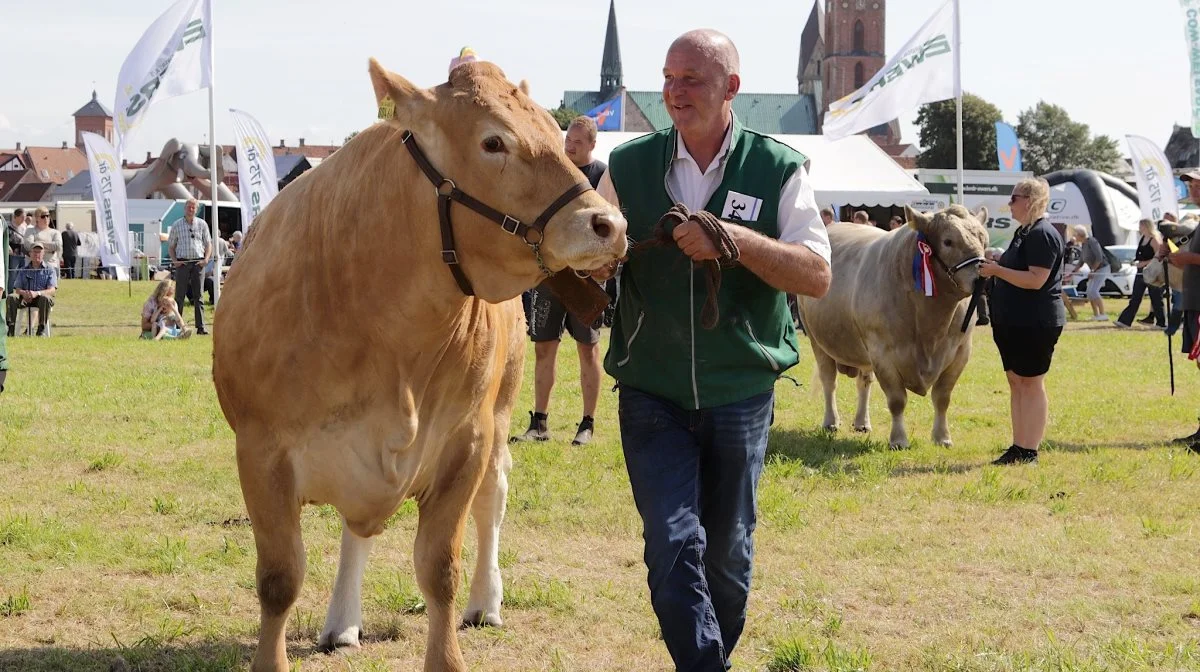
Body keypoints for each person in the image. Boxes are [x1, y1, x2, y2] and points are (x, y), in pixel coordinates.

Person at [589, 29, 831, 670]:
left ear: (732, 88)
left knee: (728, 552)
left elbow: (817, 274)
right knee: (672, 539)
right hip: (651, 387)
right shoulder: (628, 167)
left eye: (692, 78)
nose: (674, 91)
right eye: (669, 77)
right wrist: (587, 267)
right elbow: (593, 258)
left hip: (740, 389)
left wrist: (733, 240)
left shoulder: (778, 167)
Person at [512, 115, 610, 446]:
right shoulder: (555, 171)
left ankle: (588, 423)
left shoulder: (603, 175)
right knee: (544, 349)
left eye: (577, 143)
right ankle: (539, 424)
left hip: (586, 280)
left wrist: (603, 266)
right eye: (568, 140)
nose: (569, 146)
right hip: (550, 276)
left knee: (588, 350)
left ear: (592, 145)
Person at [979, 178, 1063, 465]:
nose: (1010, 203)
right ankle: (1019, 445)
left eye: (1013, 198)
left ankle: (1030, 449)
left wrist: (997, 271)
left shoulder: (1042, 233)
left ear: (1029, 199)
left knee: (1031, 382)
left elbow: (1036, 279)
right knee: (1016, 382)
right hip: (1013, 320)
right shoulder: (1024, 233)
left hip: (1034, 321)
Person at [1164, 171, 1200, 448]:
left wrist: (1187, 258)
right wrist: (1175, 254)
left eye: (1198, 185)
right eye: (1190, 185)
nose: (1193, 189)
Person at [166, 199, 212, 335]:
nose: (191, 209)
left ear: (196, 210)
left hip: (198, 263)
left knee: (199, 296)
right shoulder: (177, 225)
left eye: (193, 207)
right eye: (189, 207)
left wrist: (206, 259)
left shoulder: (202, 224)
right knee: (179, 296)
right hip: (183, 263)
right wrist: (175, 261)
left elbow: (208, 244)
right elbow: (171, 246)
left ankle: (201, 327)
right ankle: (178, 326)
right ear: (184, 208)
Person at [1115, 218, 1165, 329]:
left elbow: (1159, 256)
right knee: (1135, 297)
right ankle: (1125, 321)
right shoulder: (1142, 238)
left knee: (1156, 298)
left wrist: (1145, 263)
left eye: (1141, 225)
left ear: (1146, 226)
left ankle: (1161, 323)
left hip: (1152, 272)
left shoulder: (1154, 240)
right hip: (1140, 272)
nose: (1139, 228)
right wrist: (1136, 262)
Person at [5, 242, 58, 337]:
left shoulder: (50, 270)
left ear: (43, 254)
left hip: (40, 299)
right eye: (34, 252)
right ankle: (11, 328)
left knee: (45, 298)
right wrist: (24, 293)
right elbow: (17, 289)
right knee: (11, 297)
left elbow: (52, 290)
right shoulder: (23, 270)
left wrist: (37, 293)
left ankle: (41, 330)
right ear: (30, 254)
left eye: (39, 252)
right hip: (25, 298)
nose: (36, 254)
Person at [1073, 225, 1112, 321]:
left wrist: (1093, 271)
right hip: (1094, 270)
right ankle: (1096, 315)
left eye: (1075, 234)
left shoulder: (1092, 242)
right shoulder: (1084, 244)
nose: (1074, 236)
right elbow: (1082, 259)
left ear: (1080, 235)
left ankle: (1103, 314)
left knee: (1094, 291)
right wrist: (1074, 270)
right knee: (1089, 292)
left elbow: (1099, 258)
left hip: (1102, 269)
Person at [23, 206, 62, 271]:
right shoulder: (30, 231)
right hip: (33, 267)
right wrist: (49, 249)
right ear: (37, 218)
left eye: (48, 216)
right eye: (43, 216)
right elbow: (28, 245)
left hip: (51, 265)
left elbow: (58, 246)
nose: (46, 218)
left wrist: (38, 246)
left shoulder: (56, 232)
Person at [7, 208, 29, 292]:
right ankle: (10, 292)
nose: (24, 219)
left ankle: (21, 292)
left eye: (24, 217)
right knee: (13, 274)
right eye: (22, 217)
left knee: (23, 274)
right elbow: (5, 240)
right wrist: (9, 249)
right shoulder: (8, 226)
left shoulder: (25, 227)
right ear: (15, 217)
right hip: (13, 255)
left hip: (23, 254)